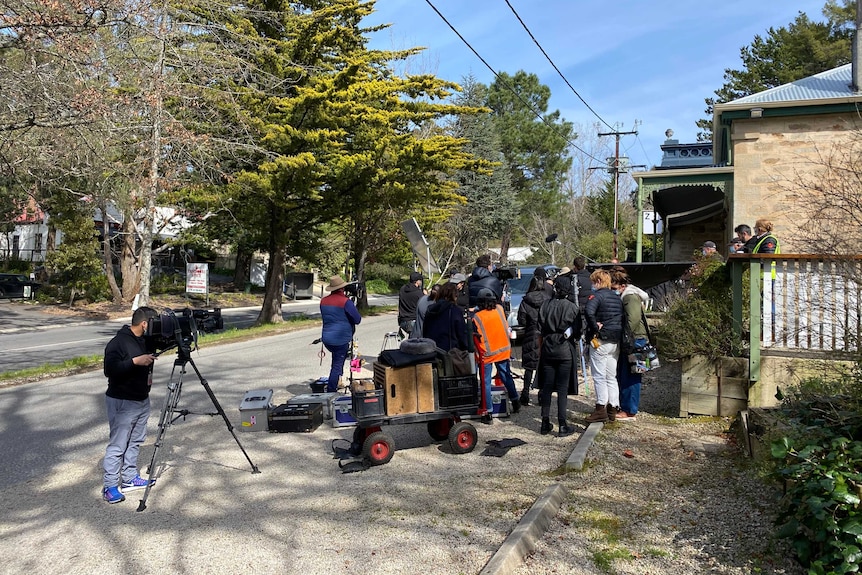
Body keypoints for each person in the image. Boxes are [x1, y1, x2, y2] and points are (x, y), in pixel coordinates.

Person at [102, 306, 159, 504]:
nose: (156, 327)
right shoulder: (118, 343)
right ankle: (109, 486)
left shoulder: (145, 340)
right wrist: (135, 361)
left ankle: (129, 478)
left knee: (135, 441)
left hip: (142, 399)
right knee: (118, 445)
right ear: (144, 324)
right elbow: (110, 369)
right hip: (122, 400)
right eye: (154, 323)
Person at [536, 275, 581, 436]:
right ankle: (562, 424)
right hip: (564, 348)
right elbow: (577, 332)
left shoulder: (545, 305)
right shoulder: (572, 308)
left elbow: (539, 328)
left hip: (548, 347)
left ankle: (544, 422)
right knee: (562, 389)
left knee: (547, 387)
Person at [472, 287, 520, 423]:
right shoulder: (499, 309)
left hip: (487, 353)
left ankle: (488, 413)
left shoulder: (477, 317)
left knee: (486, 382)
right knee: (506, 376)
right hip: (503, 349)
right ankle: (515, 400)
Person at [583, 270, 624, 423]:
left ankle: (600, 408)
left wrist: (595, 327)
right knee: (611, 376)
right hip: (615, 340)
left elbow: (588, 311)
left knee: (599, 376)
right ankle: (613, 408)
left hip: (601, 340)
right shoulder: (616, 297)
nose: (593, 284)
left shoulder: (597, 296)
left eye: (594, 281)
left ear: (598, 281)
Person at [611, 271, 650, 422]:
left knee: (631, 376)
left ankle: (629, 409)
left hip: (635, 340)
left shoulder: (629, 297)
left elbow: (632, 320)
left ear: (621, 286)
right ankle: (626, 406)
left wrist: (622, 336)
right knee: (629, 374)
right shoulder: (632, 295)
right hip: (637, 339)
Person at [320, 275, 362, 393]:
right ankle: (331, 391)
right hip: (340, 339)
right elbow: (357, 319)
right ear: (342, 288)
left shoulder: (323, 301)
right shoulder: (345, 302)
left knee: (337, 359)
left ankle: (339, 381)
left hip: (327, 338)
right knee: (337, 366)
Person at [517, 276, 552, 406]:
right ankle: (542, 394)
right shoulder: (548, 300)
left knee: (529, 367)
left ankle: (525, 393)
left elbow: (522, 320)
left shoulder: (526, 301)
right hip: (545, 334)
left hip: (531, 334)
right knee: (543, 366)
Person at [422, 282, 469, 352]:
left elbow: (425, 331)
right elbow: (461, 334)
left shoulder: (430, 309)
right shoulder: (454, 310)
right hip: (449, 351)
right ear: (454, 296)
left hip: (432, 350)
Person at [397, 271, 425, 337]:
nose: (421, 282)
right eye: (420, 280)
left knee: (412, 338)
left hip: (403, 321)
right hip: (414, 321)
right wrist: (425, 296)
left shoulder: (402, 289)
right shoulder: (418, 293)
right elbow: (424, 306)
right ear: (417, 281)